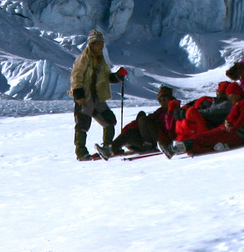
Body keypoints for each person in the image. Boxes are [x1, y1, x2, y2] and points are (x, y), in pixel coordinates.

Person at [69, 29, 126, 161]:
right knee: (82, 124)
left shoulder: (101, 61)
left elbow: (106, 77)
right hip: (85, 97)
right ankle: (81, 152)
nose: (100, 46)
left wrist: (117, 76)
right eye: (98, 43)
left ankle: (107, 147)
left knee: (110, 120)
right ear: (92, 44)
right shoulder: (83, 59)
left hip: (97, 98)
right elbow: (76, 76)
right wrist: (78, 94)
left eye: (101, 43)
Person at [108, 86, 183, 157]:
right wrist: (128, 129)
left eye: (164, 99)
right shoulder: (160, 111)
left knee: (143, 119)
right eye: (160, 99)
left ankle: (149, 146)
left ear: (170, 98)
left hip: (163, 140)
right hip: (150, 138)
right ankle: (112, 148)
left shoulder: (174, 110)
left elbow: (170, 126)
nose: (162, 101)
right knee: (133, 128)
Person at [183, 83, 244, 154]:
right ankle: (191, 144)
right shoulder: (236, 103)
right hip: (229, 129)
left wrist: (234, 128)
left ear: (237, 94)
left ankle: (190, 144)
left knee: (210, 137)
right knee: (211, 135)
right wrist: (227, 122)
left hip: (236, 133)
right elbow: (231, 117)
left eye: (231, 96)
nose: (229, 98)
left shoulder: (242, 104)